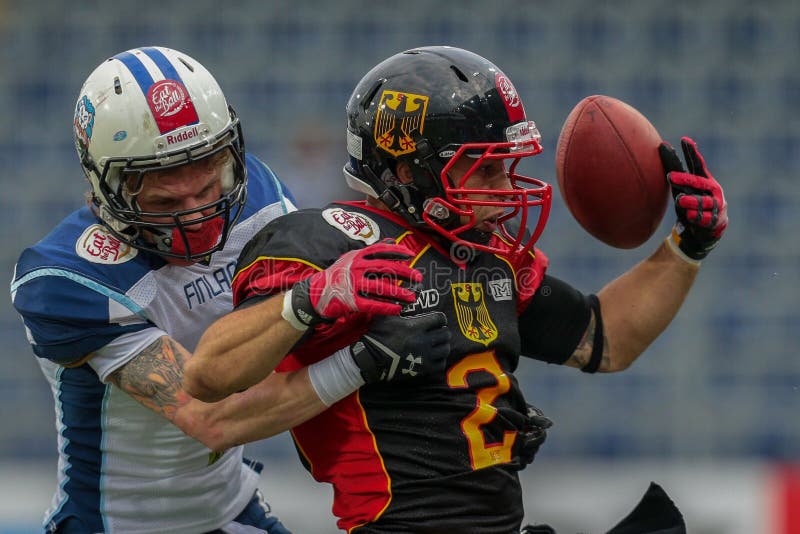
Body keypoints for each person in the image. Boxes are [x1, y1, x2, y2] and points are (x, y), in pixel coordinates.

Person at [184, 45, 727, 533]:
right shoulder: (327, 244)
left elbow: (605, 338)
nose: (504, 193)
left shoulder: (484, 257)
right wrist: (312, 299)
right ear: (404, 170)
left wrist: (686, 247)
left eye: (506, 170)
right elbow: (211, 376)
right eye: (484, 173)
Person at [9, 46, 444, 534]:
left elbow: (299, 338)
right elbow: (212, 420)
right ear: (108, 183)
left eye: (207, 187)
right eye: (167, 196)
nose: (196, 213)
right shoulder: (68, 276)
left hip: (232, 511)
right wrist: (363, 358)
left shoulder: (256, 193)